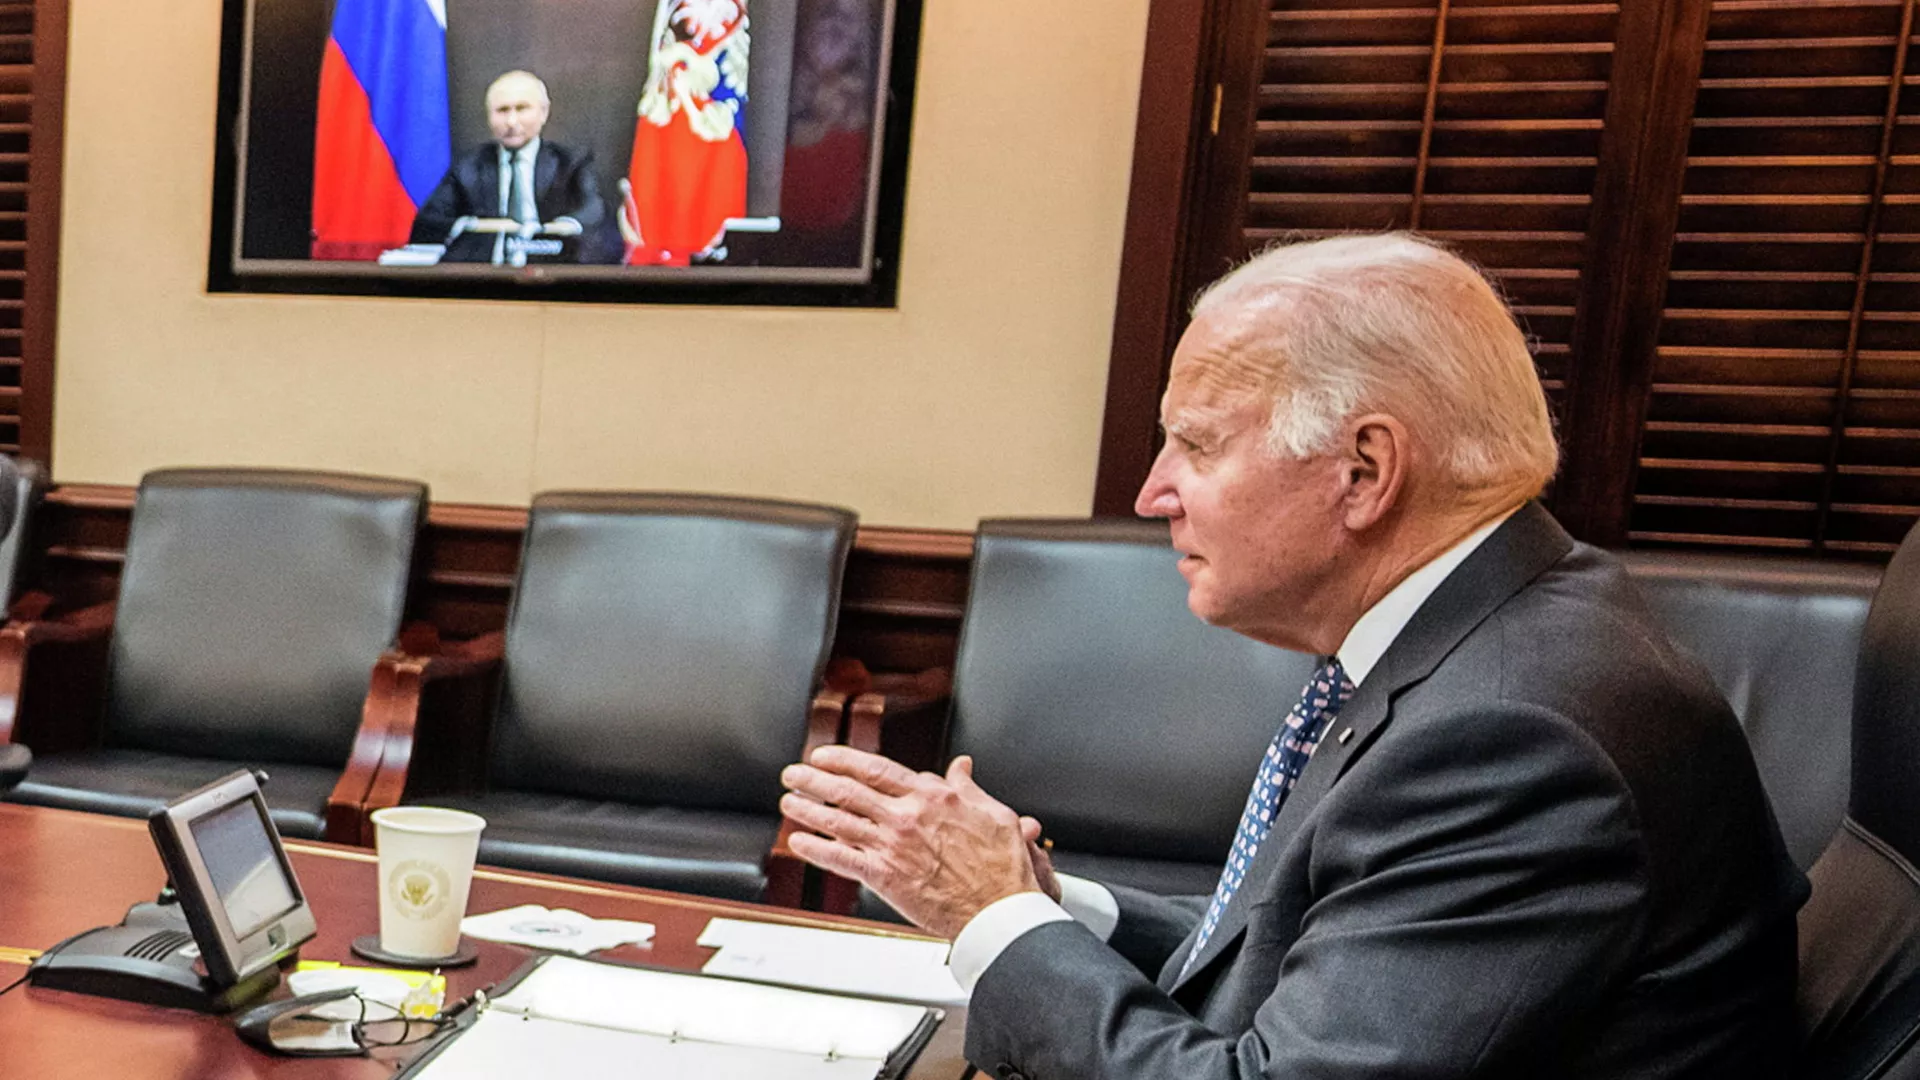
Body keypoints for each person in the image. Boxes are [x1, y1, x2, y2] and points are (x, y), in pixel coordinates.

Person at [779, 233, 1808, 1078]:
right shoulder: (1497, 633)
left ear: (1364, 470)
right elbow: (1314, 947)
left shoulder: (1512, 735)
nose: (1152, 492)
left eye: (1198, 443)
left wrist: (993, 917)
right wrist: (1048, 907)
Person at [409, 70, 609, 266]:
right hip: (484, 276)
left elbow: (594, 211)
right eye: (502, 110)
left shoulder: (571, 163)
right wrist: (479, 226)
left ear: (543, 112)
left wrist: (556, 229)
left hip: (551, 274)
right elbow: (428, 222)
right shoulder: (469, 166)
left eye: (522, 109)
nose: (511, 122)